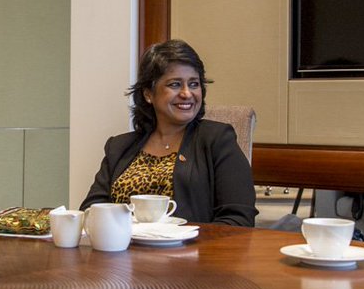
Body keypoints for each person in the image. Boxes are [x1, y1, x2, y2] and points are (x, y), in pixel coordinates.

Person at [81, 39, 257, 226]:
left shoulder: (218, 139)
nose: (187, 93)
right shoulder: (119, 146)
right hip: (122, 250)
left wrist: (188, 246)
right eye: (175, 84)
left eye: (194, 84)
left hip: (190, 251)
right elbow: (91, 209)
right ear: (148, 94)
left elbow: (238, 219)